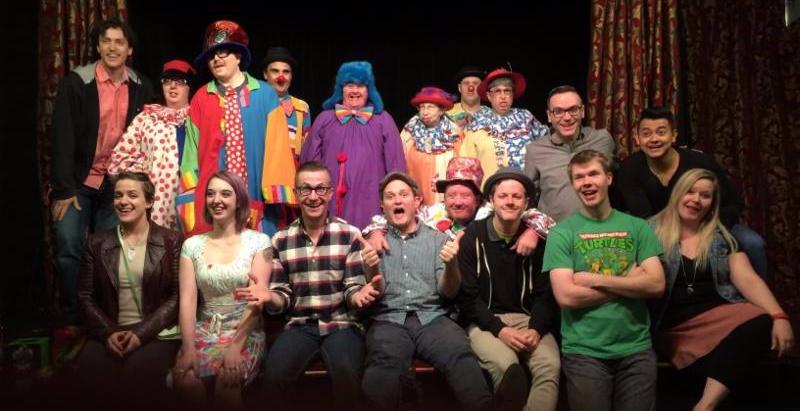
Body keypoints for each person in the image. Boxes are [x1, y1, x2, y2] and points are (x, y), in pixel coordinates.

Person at [240, 161, 382, 410]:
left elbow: (352, 288)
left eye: (321, 189)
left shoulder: (349, 234)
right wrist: (269, 297)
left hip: (341, 325)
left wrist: (358, 295)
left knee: (347, 373)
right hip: (299, 326)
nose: (313, 196)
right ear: (296, 194)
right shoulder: (280, 240)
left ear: (330, 193)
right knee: (273, 376)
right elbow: (283, 296)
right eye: (306, 189)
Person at [650, 168, 794, 411]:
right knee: (730, 362)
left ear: (712, 204)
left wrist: (780, 316)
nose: (696, 200)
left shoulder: (722, 238)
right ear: (678, 194)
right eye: (690, 192)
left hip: (721, 316)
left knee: (763, 321)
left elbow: (748, 279)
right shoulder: (648, 231)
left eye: (705, 195)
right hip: (675, 325)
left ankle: (705, 406)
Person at [50, 17, 155, 324]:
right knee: (69, 245)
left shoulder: (142, 86)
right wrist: (64, 190)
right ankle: (72, 319)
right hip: (77, 183)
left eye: (119, 42)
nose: (112, 47)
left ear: (129, 49)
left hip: (116, 185)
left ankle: (105, 318)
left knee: (111, 251)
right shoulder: (77, 82)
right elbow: (61, 138)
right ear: (97, 46)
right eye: (106, 41)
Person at [542, 149, 665, 411]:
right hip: (584, 353)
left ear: (608, 178)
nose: (586, 182)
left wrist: (590, 279)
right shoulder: (561, 233)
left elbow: (656, 284)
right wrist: (630, 282)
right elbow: (566, 297)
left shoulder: (637, 227)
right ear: (573, 185)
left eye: (593, 174)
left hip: (636, 350)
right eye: (579, 177)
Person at [361, 172, 493, 411]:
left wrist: (451, 265)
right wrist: (370, 268)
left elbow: (448, 292)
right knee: (382, 367)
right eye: (390, 196)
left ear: (417, 201)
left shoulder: (438, 240)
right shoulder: (372, 242)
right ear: (382, 205)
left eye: (404, 194)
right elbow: (373, 293)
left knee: (460, 355)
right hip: (388, 320)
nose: (397, 200)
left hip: (432, 318)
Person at [616, 106, 768, 278]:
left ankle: (754, 294)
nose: (654, 139)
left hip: (708, 224)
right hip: (661, 230)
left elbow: (733, 203)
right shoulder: (630, 168)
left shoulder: (699, 162)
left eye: (661, 132)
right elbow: (643, 217)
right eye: (646, 134)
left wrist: (709, 231)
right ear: (637, 139)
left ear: (673, 135)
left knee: (753, 243)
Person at [179, 20, 296, 236]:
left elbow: (278, 150)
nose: (216, 59)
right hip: (213, 205)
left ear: (239, 56)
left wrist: (275, 195)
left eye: (223, 52)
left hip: (256, 200)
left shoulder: (265, 95)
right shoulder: (201, 98)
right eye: (211, 56)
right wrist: (192, 199)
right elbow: (190, 157)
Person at [458, 167, 561, 411]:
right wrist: (500, 330)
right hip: (486, 322)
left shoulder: (539, 240)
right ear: (491, 200)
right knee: (507, 366)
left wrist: (536, 329)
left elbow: (546, 294)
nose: (510, 201)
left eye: (517, 196)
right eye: (503, 196)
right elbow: (468, 298)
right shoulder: (473, 236)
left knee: (549, 366)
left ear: (526, 203)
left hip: (528, 320)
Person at [76, 172, 181, 405]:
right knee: (91, 373)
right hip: (109, 331)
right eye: (118, 196)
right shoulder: (96, 242)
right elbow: (84, 297)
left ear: (149, 201)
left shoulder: (171, 241)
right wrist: (108, 333)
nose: (123, 201)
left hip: (155, 333)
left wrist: (140, 333)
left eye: (132, 195)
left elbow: (176, 297)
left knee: (136, 377)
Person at [172, 171, 271, 409]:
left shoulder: (259, 242)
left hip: (244, 333)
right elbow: (187, 301)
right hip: (203, 331)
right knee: (186, 381)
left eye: (225, 194)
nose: (217, 200)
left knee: (227, 382)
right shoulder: (191, 245)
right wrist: (188, 348)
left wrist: (235, 348)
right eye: (211, 194)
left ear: (239, 201)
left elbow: (256, 300)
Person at [363, 157, 555, 257]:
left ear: (478, 199)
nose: (457, 202)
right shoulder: (433, 213)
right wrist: (377, 232)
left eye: (465, 195)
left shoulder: (492, 210)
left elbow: (543, 218)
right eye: (451, 195)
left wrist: (533, 232)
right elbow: (389, 217)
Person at [300, 61, 406, 229]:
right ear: (340, 89)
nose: (355, 91)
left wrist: (395, 199)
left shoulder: (383, 120)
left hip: (371, 200)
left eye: (361, 86)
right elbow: (309, 163)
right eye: (350, 85)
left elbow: (396, 164)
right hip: (330, 201)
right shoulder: (325, 119)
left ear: (369, 90)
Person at [109, 59, 195, 229]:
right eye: (167, 81)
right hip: (153, 203)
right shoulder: (147, 118)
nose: (172, 86)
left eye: (180, 81)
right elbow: (117, 161)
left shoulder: (197, 118)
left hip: (189, 198)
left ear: (189, 87)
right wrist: (143, 175)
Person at [525, 85, 616, 222]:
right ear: (549, 116)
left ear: (583, 111)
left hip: (598, 228)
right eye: (558, 111)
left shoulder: (602, 140)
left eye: (573, 110)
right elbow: (527, 197)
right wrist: (533, 229)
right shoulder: (535, 150)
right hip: (553, 231)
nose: (567, 117)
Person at [461, 68, 549, 176]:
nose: (503, 96)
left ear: (512, 94)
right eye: (497, 91)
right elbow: (466, 164)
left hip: (528, 182)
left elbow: (546, 145)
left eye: (507, 91)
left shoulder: (526, 117)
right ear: (489, 96)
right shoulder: (477, 123)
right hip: (492, 184)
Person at [400, 86, 463, 206]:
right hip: (416, 186)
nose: (425, 112)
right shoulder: (409, 131)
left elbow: (461, 163)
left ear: (441, 110)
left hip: (444, 191)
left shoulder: (454, 132)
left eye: (430, 107)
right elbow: (400, 157)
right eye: (422, 107)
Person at [261, 46, 311, 160]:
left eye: (286, 72)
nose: (281, 77)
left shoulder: (302, 108)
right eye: (275, 71)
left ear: (291, 76)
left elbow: (307, 149)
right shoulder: (254, 104)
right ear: (265, 74)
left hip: (292, 169)